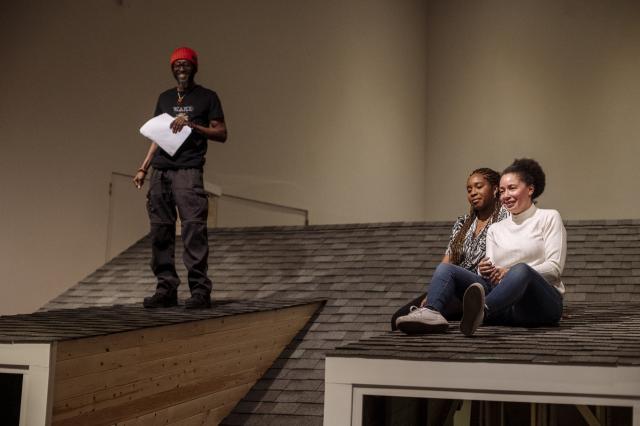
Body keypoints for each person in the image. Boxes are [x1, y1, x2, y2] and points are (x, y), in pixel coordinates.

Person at [396, 158, 565, 336]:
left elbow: (554, 269)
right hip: (504, 306)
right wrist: (483, 270)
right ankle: (431, 312)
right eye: (502, 191)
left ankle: (480, 311)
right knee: (446, 269)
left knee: (521, 269)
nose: (506, 195)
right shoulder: (496, 229)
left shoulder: (549, 218)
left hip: (539, 306)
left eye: (512, 188)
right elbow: (488, 276)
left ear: (530, 189)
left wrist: (510, 272)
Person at [133, 47, 227, 309]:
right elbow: (157, 136)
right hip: (160, 171)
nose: (181, 68)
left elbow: (221, 133)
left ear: (194, 67)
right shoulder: (164, 98)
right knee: (160, 231)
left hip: (188, 170)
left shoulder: (207, 97)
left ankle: (199, 291)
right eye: (177, 64)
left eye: (186, 64)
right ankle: (166, 289)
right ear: (172, 69)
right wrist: (143, 168)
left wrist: (192, 125)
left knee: (192, 230)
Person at [392, 168, 508, 332]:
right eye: (469, 190)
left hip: (483, 287)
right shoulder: (464, 223)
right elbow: (449, 259)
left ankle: (436, 313)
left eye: (479, 186)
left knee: (431, 314)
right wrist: (432, 293)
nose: (473, 192)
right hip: (456, 285)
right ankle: (432, 312)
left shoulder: (506, 217)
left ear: (495, 189)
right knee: (398, 318)